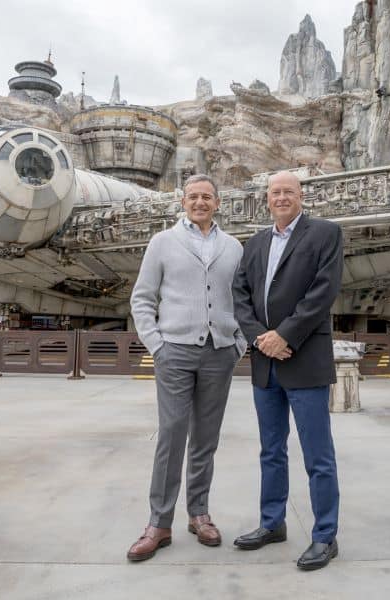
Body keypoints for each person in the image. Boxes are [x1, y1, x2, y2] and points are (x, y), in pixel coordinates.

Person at [127, 174, 247, 562]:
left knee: (205, 439)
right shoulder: (162, 242)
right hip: (175, 352)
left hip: (219, 352)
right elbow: (142, 298)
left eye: (206, 196)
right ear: (183, 202)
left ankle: (199, 514)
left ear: (217, 202)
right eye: (193, 196)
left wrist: (239, 345)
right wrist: (157, 345)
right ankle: (159, 523)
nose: (200, 202)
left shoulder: (233, 247)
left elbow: (244, 302)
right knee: (172, 434)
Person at [232, 170, 344, 571]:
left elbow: (323, 291)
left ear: (301, 196)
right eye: (275, 192)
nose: (281, 197)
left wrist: (285, 335)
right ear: (267, 199)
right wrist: (261, 337)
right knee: (271, 451)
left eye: (288, 192)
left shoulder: (325, 234)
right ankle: (272, 523)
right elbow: (240, 294)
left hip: (305, 360)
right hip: (265, 363)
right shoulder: (256, 242)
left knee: (318, 455)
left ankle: (324, 536)